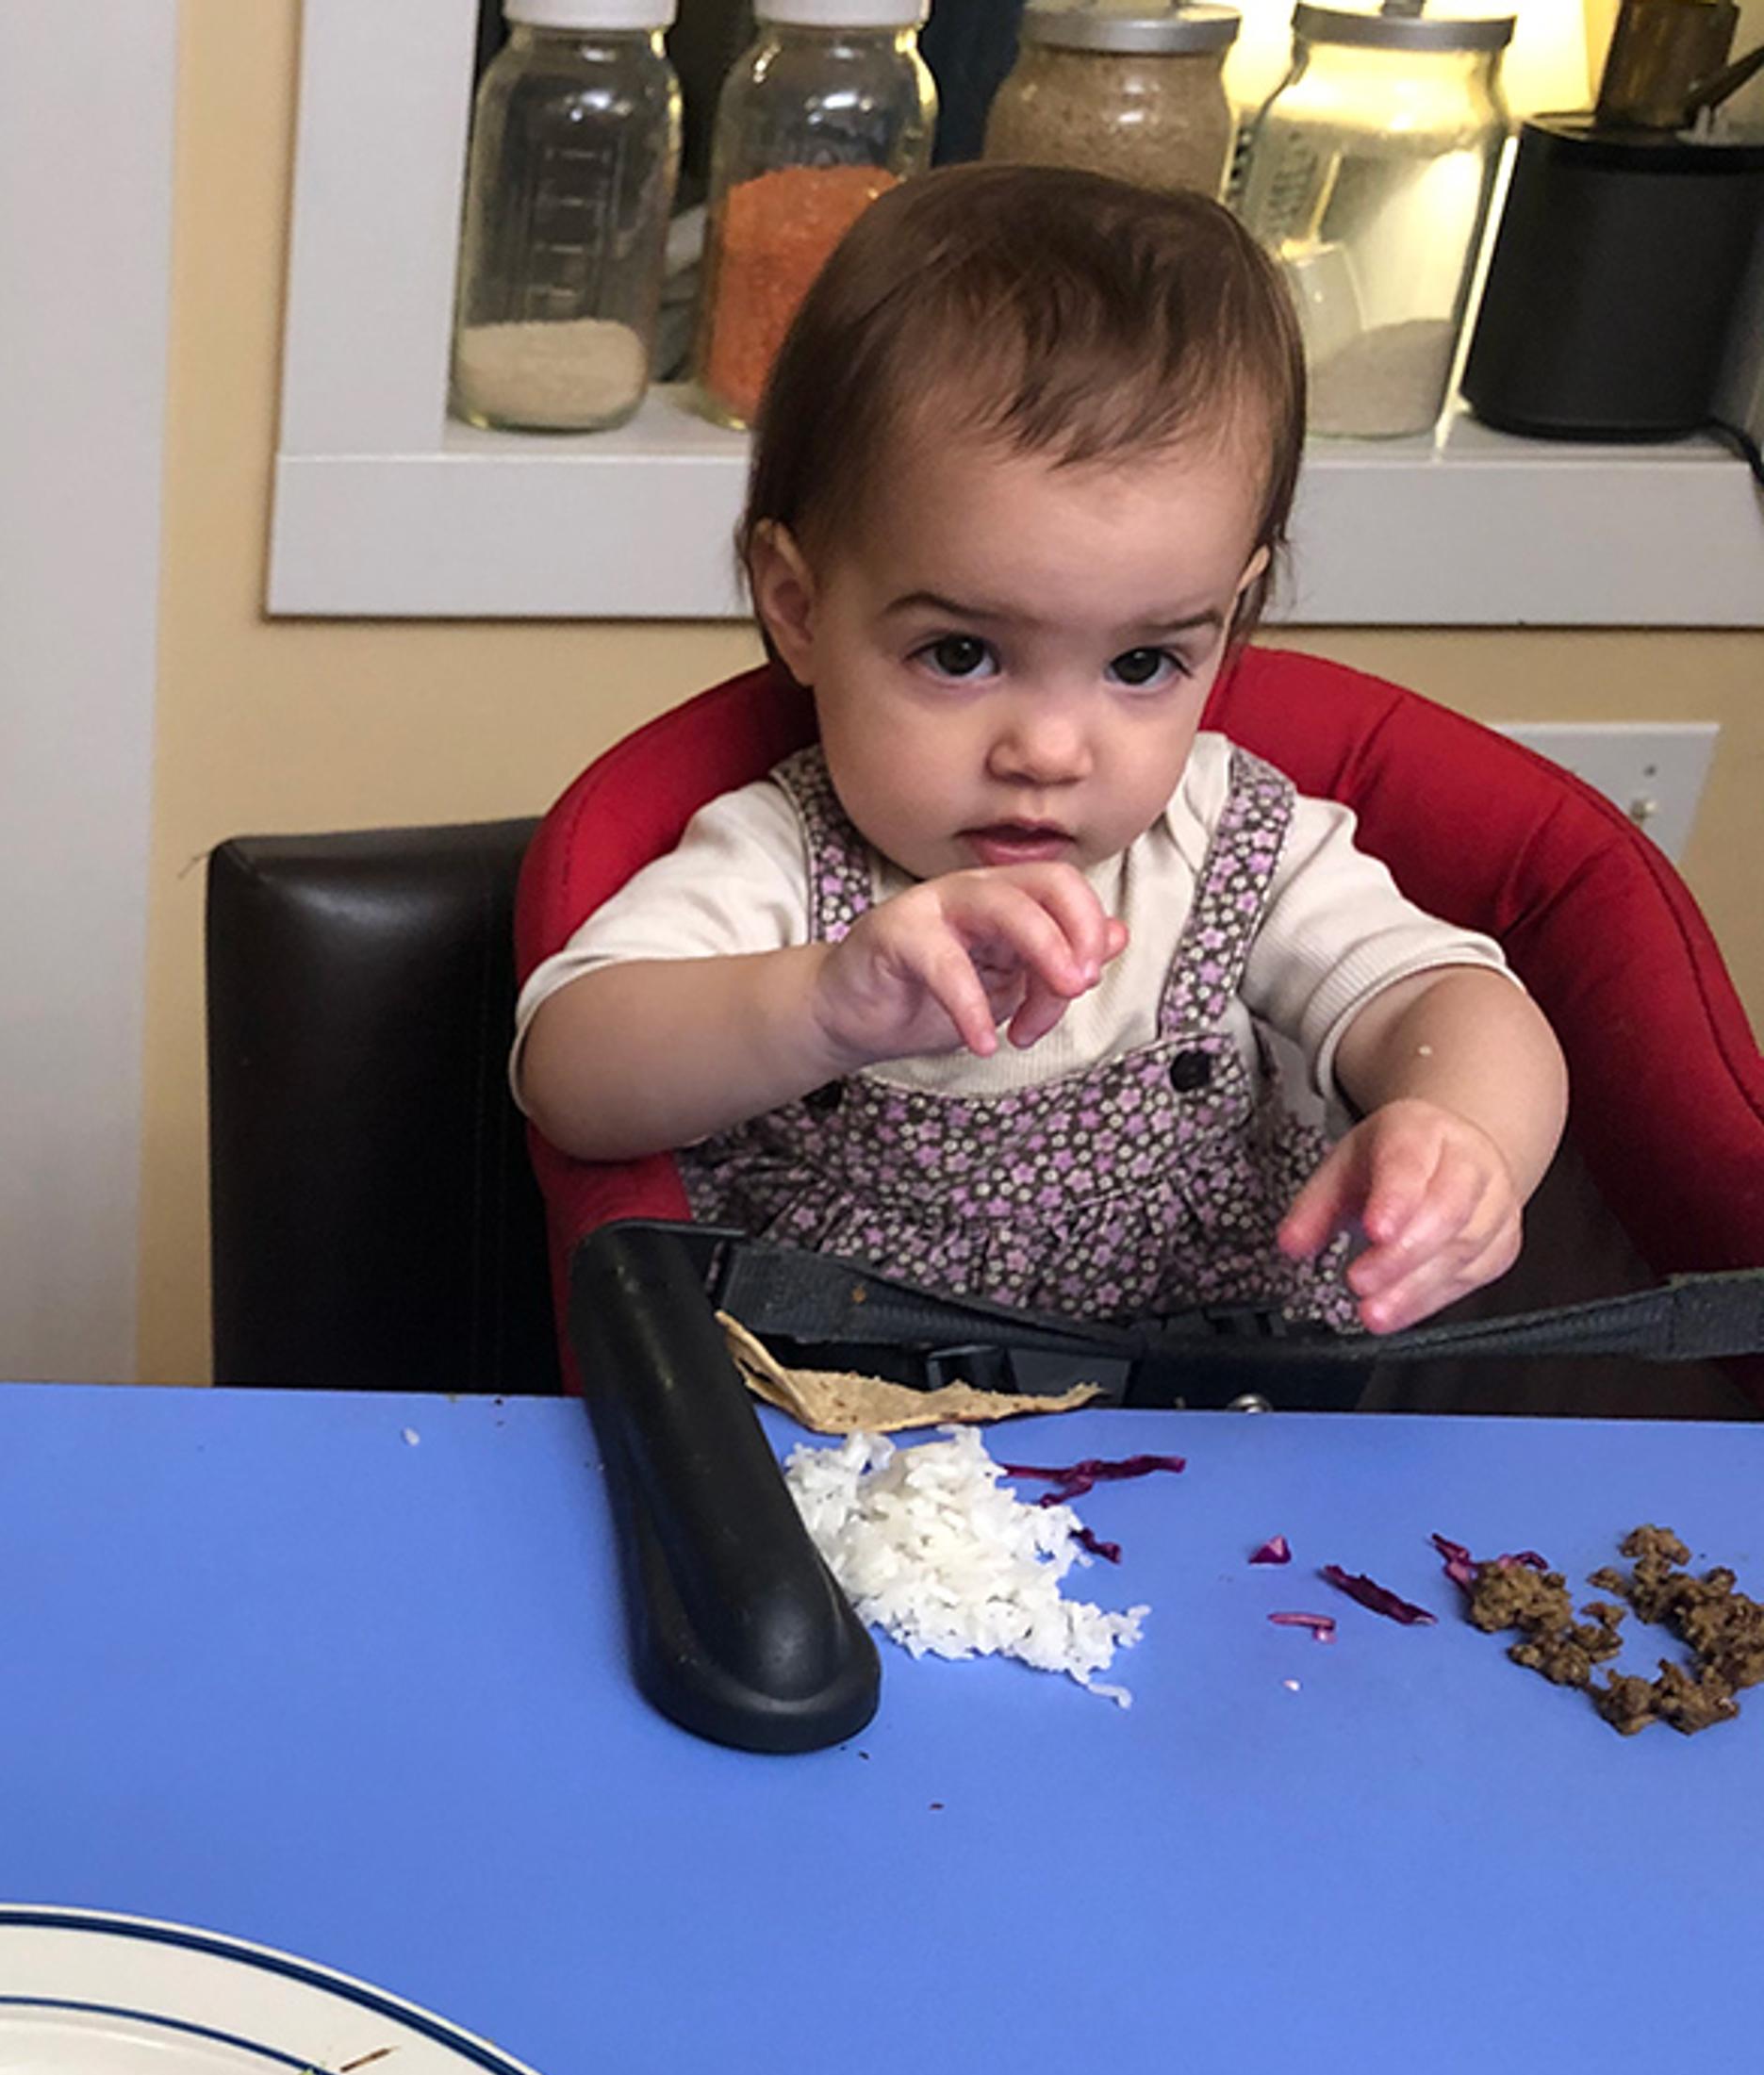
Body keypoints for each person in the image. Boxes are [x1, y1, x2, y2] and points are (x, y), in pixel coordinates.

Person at [515, 166, 1568, 1338]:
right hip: (858, 1462)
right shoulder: (782, 861)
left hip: (1217, 1436)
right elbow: (573, 1076)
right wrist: (817, 1007)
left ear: (1233, 614)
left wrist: (1463, 1137)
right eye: (961, 653)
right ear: (799, 607)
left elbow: (1450, 997)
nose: (1049, 751)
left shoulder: (1232, 850)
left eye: (1141, 665)